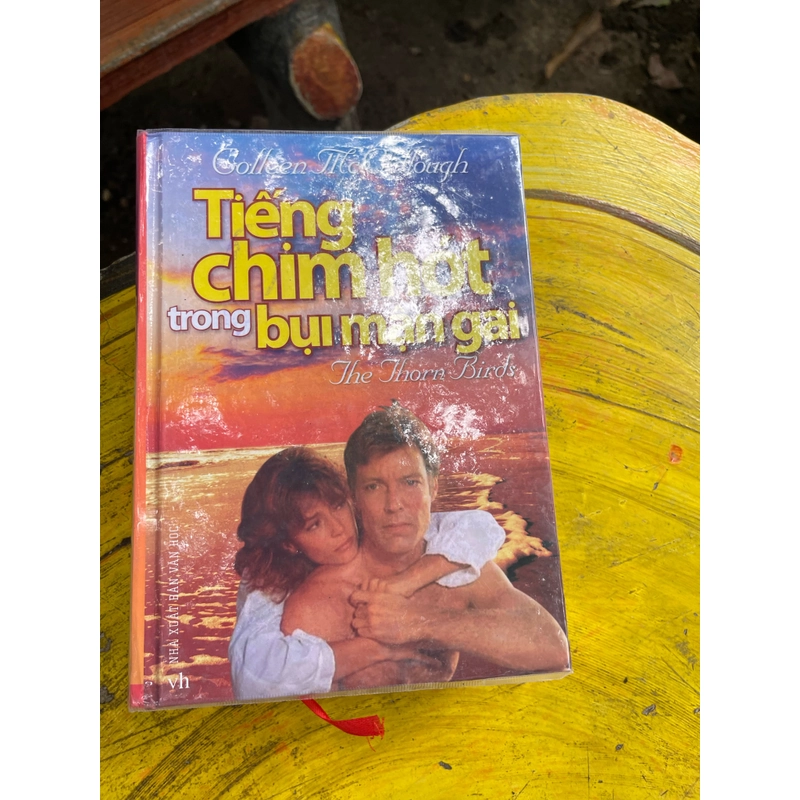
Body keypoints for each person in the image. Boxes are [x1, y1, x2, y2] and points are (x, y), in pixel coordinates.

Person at [281, 404, 570, 690]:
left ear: (433, 488)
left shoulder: (458, 568)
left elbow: (554, 648)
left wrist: (419, 622)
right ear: (354, 497)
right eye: (374, 486)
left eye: (410, 482)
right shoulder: (316, 605)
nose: (394, 504)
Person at [228, 446, 505, 700]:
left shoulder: (370, 524)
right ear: (288, 543)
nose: (339, 528)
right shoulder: (267, 581)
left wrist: (405, 583)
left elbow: (477, 527)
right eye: (315, 525)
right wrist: (377, 649)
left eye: (338, 505)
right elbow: (254, 680)